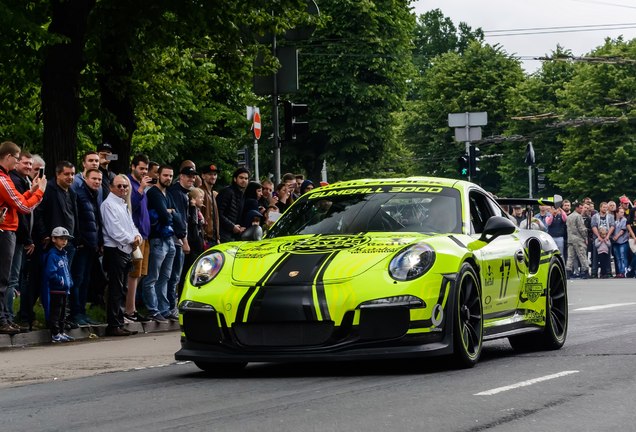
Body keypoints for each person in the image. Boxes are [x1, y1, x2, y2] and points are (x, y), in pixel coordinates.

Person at [0, 141, 46, 335]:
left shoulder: (6, 178)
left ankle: (5, 318)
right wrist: (41, 192)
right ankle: (3, 319)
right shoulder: (3, 179)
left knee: (6, 279)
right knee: (4, 280)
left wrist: (32, 192)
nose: (19, 162)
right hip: (5, 230)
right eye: (17, 158)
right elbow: (23, 207)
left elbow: (18, 200)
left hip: (8, 229)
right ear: (9, 157)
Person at [101, 174, 141, 336]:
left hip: (125, 249)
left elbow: (130, 225)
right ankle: (113, 324)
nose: (123, 189)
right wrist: (132, 239)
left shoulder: (122, 204)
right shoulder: (108, 205)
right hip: (115, 250)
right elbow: (114, 230)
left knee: (122, 287)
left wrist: (137, 235)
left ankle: (119, 320)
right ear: (111, 187)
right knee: (115, 288)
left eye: (125, 186)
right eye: (119, 186)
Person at [69, 168, 103, 326]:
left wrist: (99, 242)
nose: (97, 182)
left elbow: (97, 221)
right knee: (78, 279)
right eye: (94, 179)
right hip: (82, 244)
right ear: (85, 179)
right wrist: (79, 239)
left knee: (85, 280)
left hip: (92, 244)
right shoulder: (80, 193)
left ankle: (82, 312)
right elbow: (77, 218)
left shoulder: (95, 195)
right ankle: (75, 313)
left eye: (99, 179)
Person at [142, 165, 176, 322]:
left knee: (165, 277)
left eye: (170, 176)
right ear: (159, 175)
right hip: (157, 239)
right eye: (165, 175)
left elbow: (176, 215)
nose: (168, 178)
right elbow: (165, 216)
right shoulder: (154, 193)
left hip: (169, 239)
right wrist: (169, 212)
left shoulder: (167, 194)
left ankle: (164, 308)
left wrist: (171, 212)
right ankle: (152, 309)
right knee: (152, 277)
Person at [6, 152, 35, 331]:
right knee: (11, 279)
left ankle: (8, 317)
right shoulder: (12, 180)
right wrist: (37, 192)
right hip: (13, 235)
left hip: (16, 236)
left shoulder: (21, 181)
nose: (28, 167)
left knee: (12, 279)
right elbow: (22, 208)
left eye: (30, 164)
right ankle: (7, 317)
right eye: (24, 163)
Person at [125, 154, 152, 323]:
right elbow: (130, 206)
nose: (144, 172)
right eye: (141, 168)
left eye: (146, 169)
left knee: (141, 273)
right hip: (134, 235)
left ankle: (132, 308)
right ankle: (129, 310)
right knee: (133, 273)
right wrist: (141, 189)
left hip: (144, 234)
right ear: (133, 166)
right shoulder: (127, 183)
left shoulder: (141, 184)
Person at [167, 165, 195, 316]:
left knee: (175, 276)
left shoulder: (183, 193)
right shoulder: (177, 193)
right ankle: (172, 307)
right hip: (177, 239)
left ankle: (172, 306)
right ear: (181, 177)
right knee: (174, 277)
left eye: (193, 176)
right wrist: (184, 240)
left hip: (178, 238)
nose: (191, 179)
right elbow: (178, 219)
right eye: (188, 176)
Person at [42, 226, 75, 343]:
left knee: (62, 313)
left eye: (66, 239)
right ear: (54, 239)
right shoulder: (53, 255)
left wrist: (69, 282)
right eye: (61, 238)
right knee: (56, 312)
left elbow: (66, 270)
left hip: (64, 289)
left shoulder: (64, 254)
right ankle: (55, 334)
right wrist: (61, 281)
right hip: (56, 289)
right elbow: (50, 272)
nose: (64, 241)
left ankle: (61, 331)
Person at [216, 167, 250, 242]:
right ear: (235, 179)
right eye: (241, 178)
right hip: (222, 234)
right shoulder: (227, 192)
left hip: (231, 235)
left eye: (246, 178)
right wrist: (232, 226)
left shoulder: (241, 194)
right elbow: (218, 213)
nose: (244, 180)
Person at [183, 187, 206, 277]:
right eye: (200, 197)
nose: (202, 199)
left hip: (197, 245)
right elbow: (193, 223)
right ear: (193, 199)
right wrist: (193, 207)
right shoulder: (192, 210)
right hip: (193, 245)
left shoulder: (197, 210)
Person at [590, 202, 615, 278]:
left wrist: (607, 236)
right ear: (600, 208)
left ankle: (608, 272)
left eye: (606, 207)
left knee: (608, 256)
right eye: (604, 207)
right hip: (597, 239)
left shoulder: (610, 216)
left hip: (607, 238)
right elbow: (593, 226)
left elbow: (612, 226)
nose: (605, 209)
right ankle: (594, 272)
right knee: (595, 256)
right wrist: (598, 236)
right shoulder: (595, 216)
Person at [566, 202, 589, 279]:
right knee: (582, 255)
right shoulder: (578, 216)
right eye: (581, 208)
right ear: (577, 208)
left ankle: (568, 271)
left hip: (570, 238)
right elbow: (581, 228)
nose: (582, 209)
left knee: (570, 256)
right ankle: (585, 271)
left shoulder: (569, 217)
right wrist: (585, 237)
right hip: (578, 239)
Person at [200, 164, 220, 247]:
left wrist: (218, 237)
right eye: (210, 174)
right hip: (205, 238)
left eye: (215, 174)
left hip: (214, 238)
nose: (213, 177)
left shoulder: (213, 193)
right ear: (203, 176)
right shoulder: (200, 192)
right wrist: (203, 237)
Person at [612, 207, 629, 278]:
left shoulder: (624, 220)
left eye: (623, 212)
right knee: (618, 258)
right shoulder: (615, 221)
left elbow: (623, 230)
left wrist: (616, 236)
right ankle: (619, 272)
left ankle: (623, 271)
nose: (622, 213)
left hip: (622, 241)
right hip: (615, 243)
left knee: (623, 257)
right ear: (617, 213)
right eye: (621, 212)